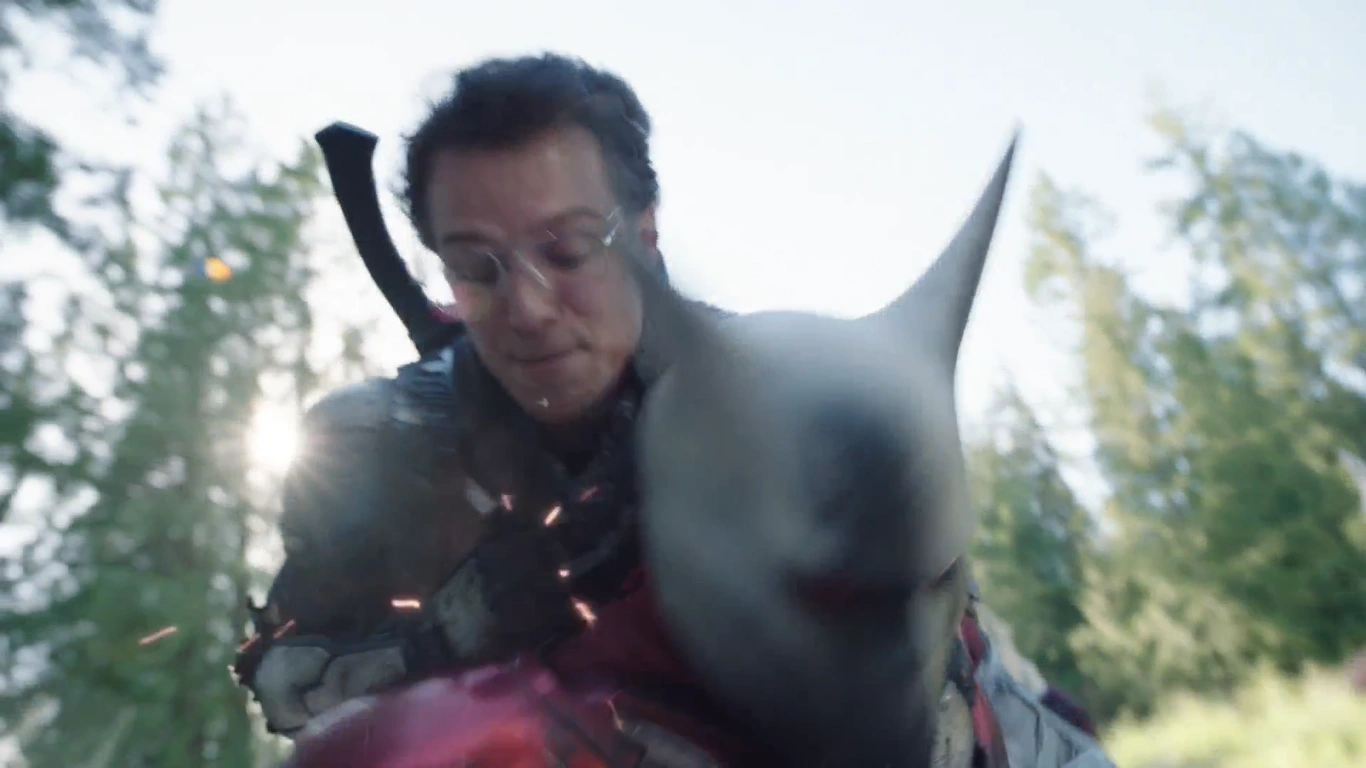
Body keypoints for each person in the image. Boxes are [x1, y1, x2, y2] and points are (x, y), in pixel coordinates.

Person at [233, 53, 1112, 768]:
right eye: (478, 266)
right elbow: (293, 686)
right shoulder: (379, 451)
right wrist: (476, 619)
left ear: (645, 235)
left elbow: (940, 664)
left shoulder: (772, 411)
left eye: (567, 249)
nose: (528, 307)